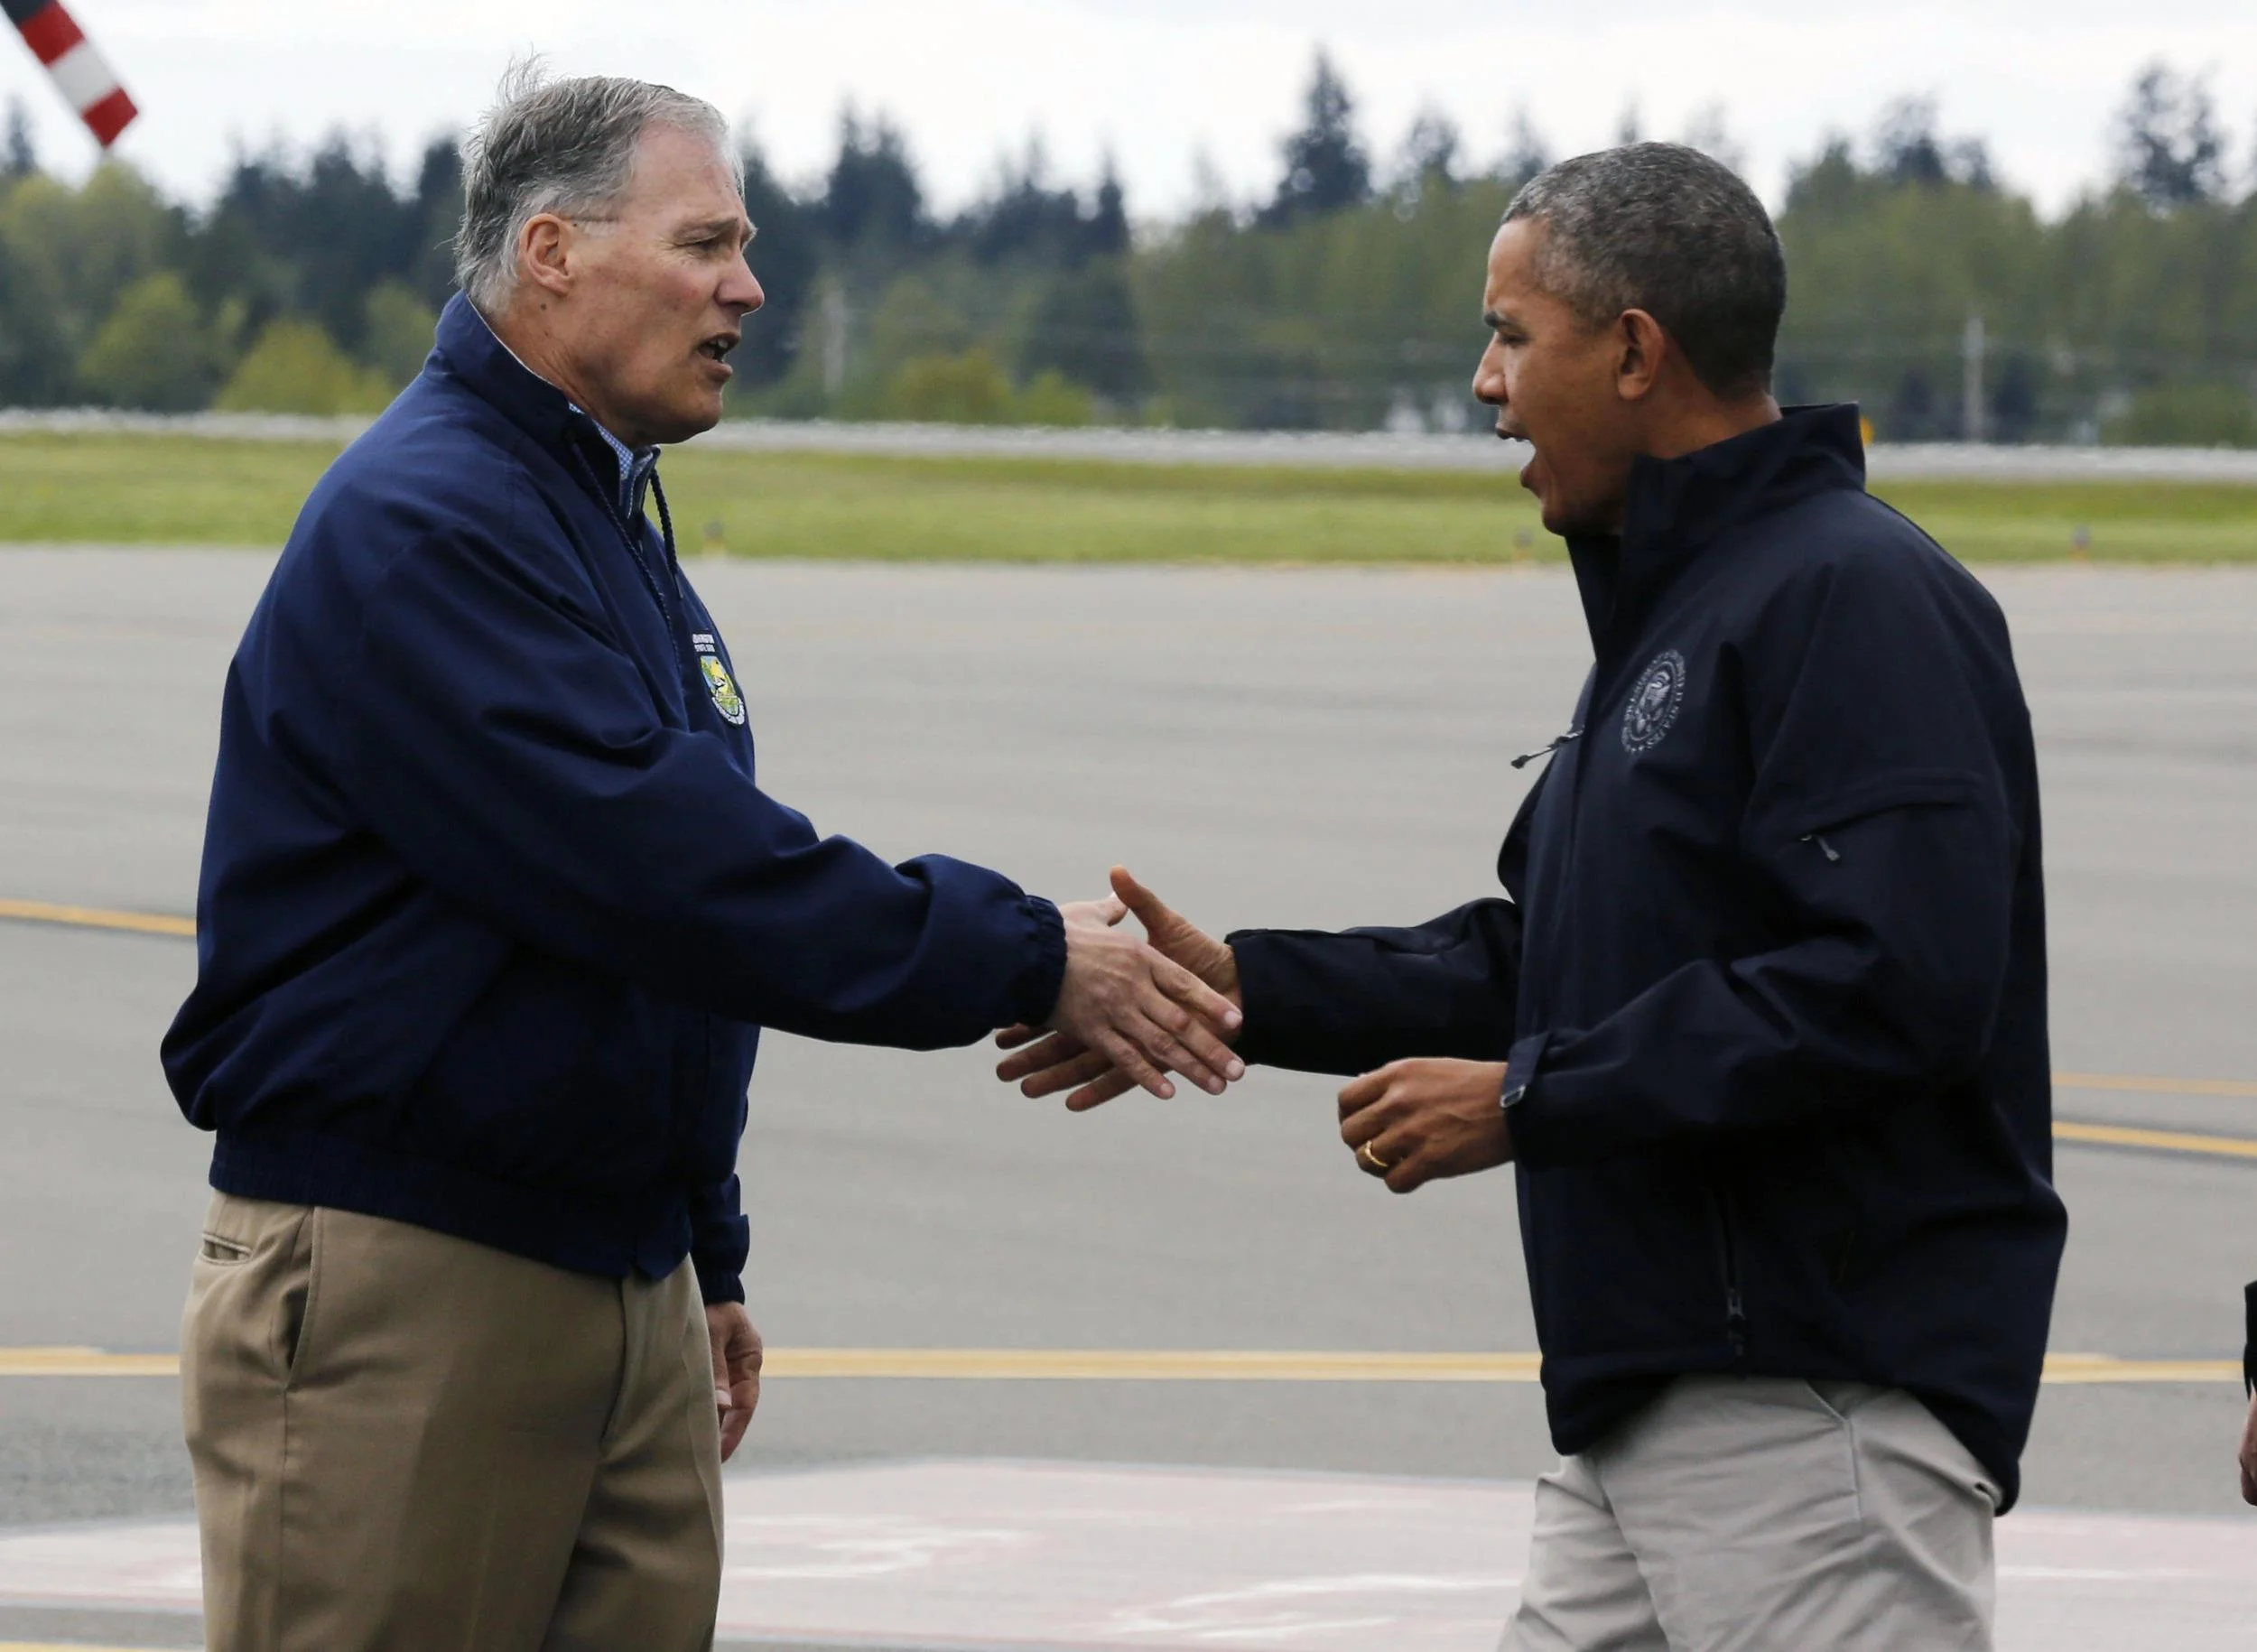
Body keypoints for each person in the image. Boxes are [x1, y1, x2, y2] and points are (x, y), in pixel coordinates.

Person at [161, 69, 1241, 1652]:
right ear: (550, 254)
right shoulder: (432, 519)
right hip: (414, 1287)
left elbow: (650, 944)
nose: (750, 287)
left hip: (618, 1276)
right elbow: (669, 866)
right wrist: (1025, 952)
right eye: (706, 244)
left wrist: (696, 1245)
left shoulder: (591, 504)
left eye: (746, 246)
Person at [1002, 143, 2066, 1650]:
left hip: (1812, 1415)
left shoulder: (1852, 594)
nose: (1487, 384)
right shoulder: (1686, 607)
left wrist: (1530, 1097)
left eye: (1511, 334)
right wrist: (1247, 981)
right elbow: (1553, 959)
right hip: (1650, 1414)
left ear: (1635, 351)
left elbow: (1896, 985)